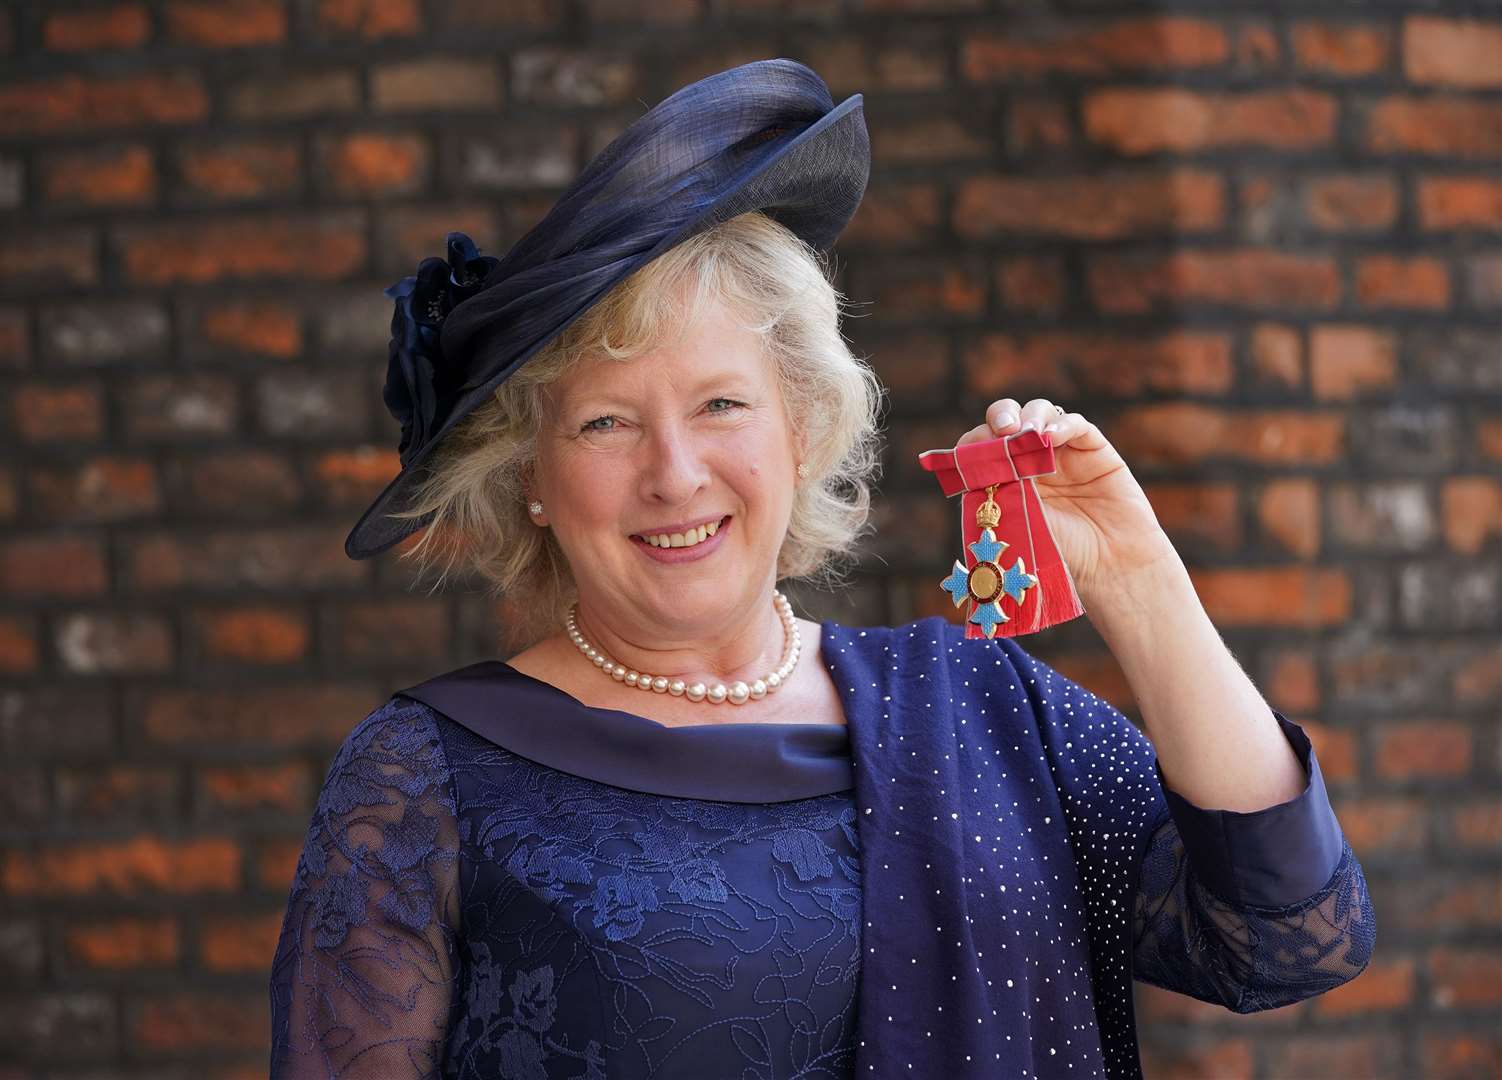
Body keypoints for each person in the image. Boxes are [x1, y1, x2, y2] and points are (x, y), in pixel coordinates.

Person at [268, 59, 1374, 1079]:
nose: (674, 472)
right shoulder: (425, 774)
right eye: (606, 423)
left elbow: (1282, 940)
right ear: (534, 482)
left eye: (721, 405)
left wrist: (1136, 581)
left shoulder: (980, 708)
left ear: (800, 432)